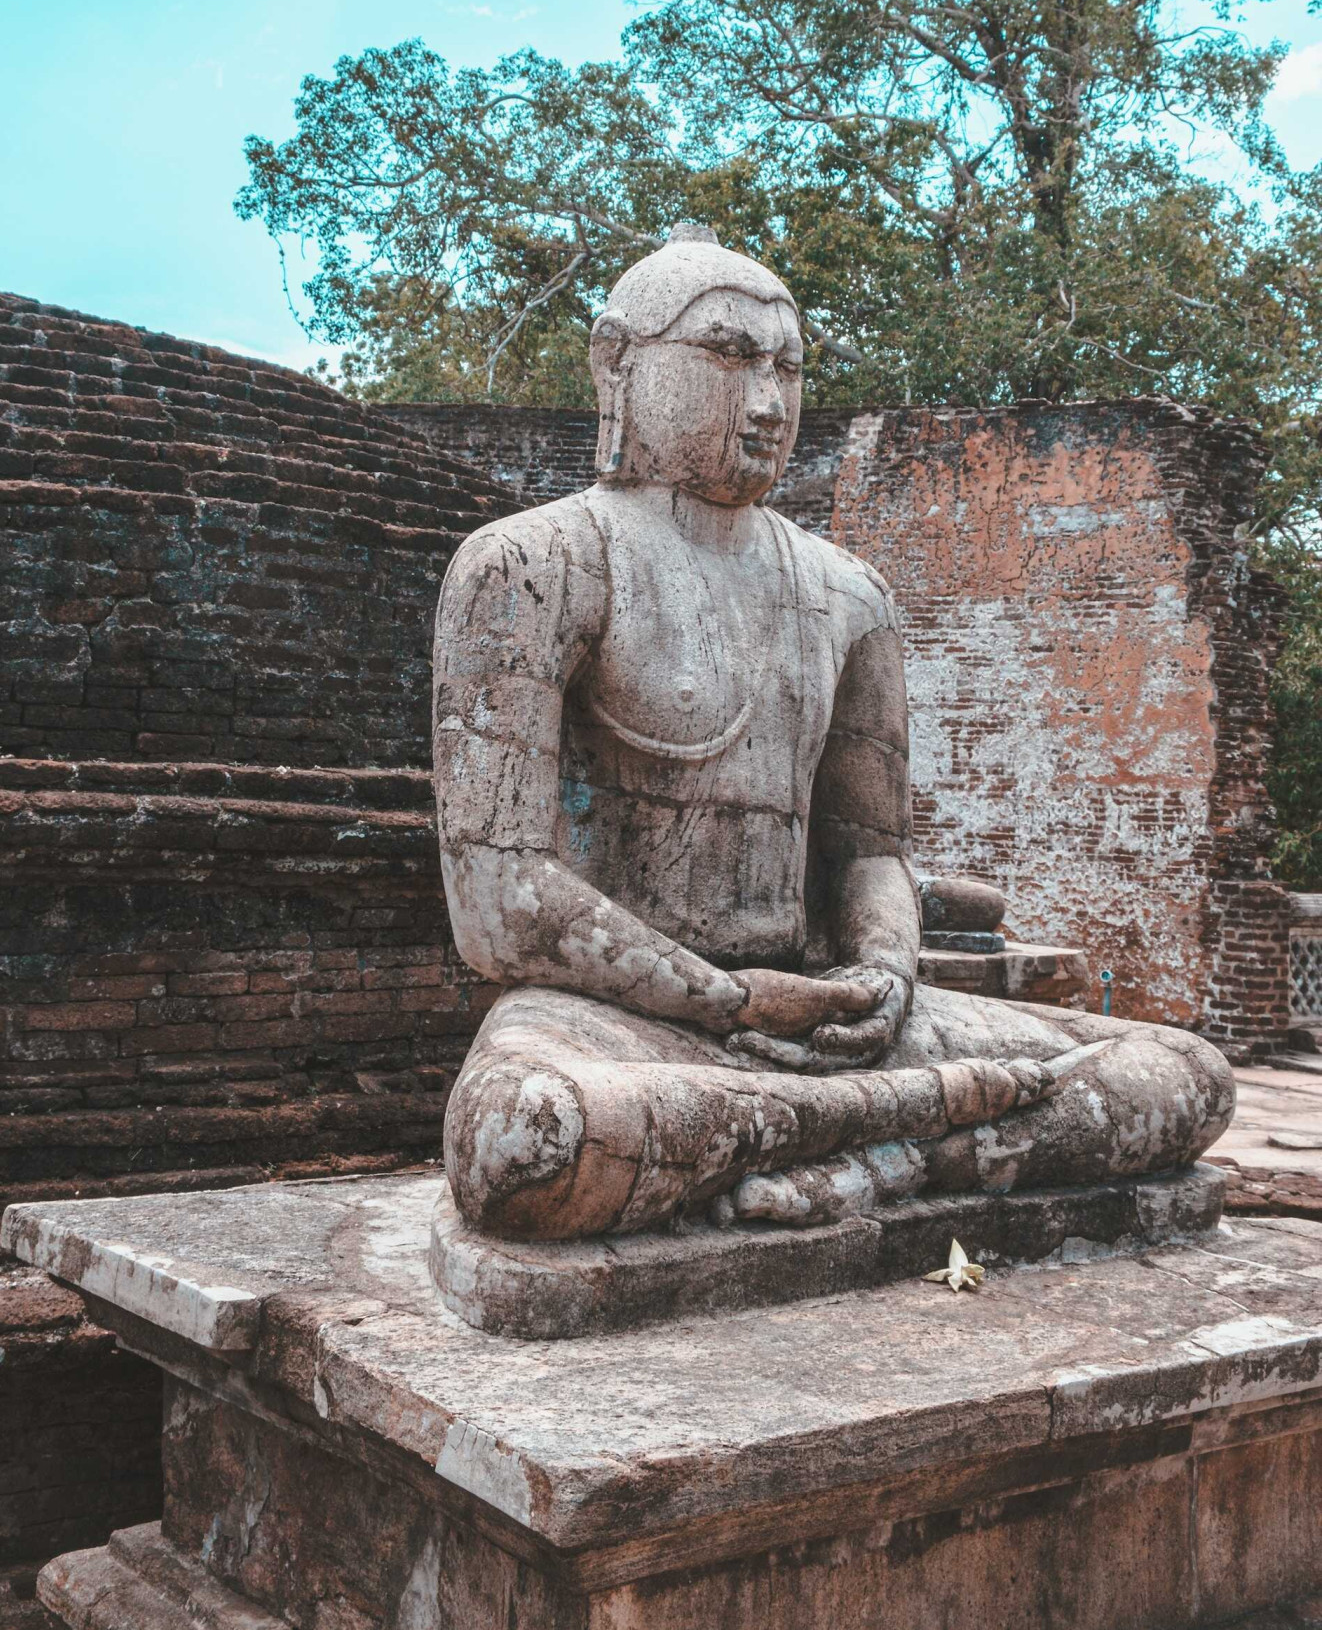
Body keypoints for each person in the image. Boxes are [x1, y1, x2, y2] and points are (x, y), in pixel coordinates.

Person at [433, 227, 1233, 1241]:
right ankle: (904, 1138)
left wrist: (883, 971)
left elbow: (868, 852)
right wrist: (726, 998)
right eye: (726, 357)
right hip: (626, 1022)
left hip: (827, 1021)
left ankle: (871, 1155)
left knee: (1181, 1078)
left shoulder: (847, 594)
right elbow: (500, 899)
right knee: (524, 1138)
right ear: (615, 363)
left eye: (787, 365)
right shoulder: (533, 564)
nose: (766, 402)